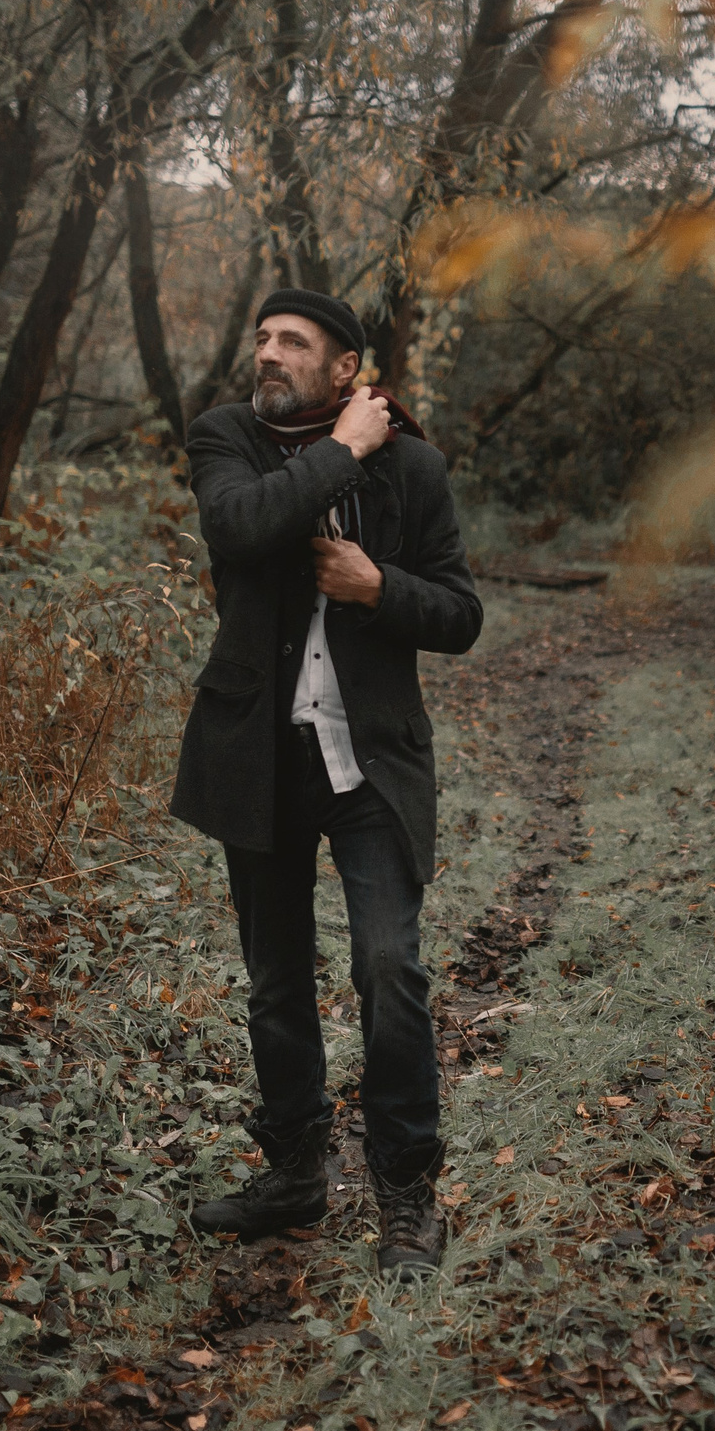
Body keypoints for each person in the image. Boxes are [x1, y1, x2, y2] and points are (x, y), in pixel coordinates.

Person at [170, 288, 481, 1277]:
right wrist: (343, 449)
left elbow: (461, 613)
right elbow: (240, 527)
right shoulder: (226, 438)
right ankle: (296, 1173)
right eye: (262, 337)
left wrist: (377, 587)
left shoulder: (414, 468)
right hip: (255, 754)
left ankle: (406, 1194)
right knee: (274, 981)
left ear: (345, 367)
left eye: (293, 341)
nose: (268, 352)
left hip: (369, 760)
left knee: (389, 968)